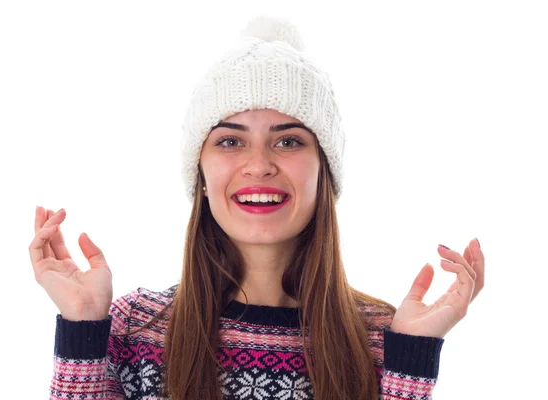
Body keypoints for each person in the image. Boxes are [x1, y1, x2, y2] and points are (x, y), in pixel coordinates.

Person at [29, 16, 485, 400]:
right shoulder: (135, 327)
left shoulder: (384, 338)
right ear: (201, 176)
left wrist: (413, 354)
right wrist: (83, 327)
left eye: (288, 141)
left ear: (324, 173)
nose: (259, 165)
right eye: (230, 140)